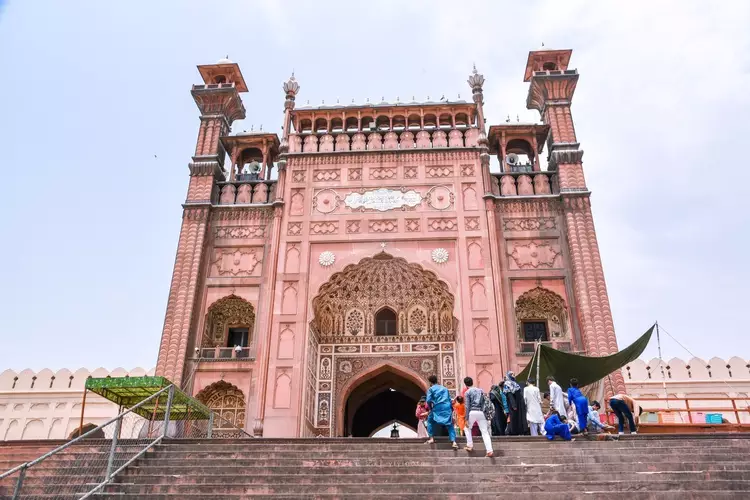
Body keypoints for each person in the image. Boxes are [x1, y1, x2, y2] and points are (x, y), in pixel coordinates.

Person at [462, 377, 494, 457]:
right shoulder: (480, 390)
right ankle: (489, 450)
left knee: (467, 428)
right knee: (484, 432)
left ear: (465, 384)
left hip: (472, 411)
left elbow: (467, 406)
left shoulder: (467, 392)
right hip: (481, 412)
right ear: (472, 382)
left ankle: (469, 445)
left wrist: (466, 418)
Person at [425, 375, 458, 448]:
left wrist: (430, 408)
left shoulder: (431, 389)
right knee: (449, 424)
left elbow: (428, 400)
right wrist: (451, 409)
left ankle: (431, 438)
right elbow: (449, 399)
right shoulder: (444, 388)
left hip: (438, 407)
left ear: (430, 382)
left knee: (430, 421)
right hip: (446, 406)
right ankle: (453, 441)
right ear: (437, 380)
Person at [503, 371, 528, 435]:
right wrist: (513, 405)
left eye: (514, 374)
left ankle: (520, 431)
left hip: (519, 403)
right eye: (512, 374)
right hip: (513, 404)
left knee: (519, 417)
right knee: (513, 417)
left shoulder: (515, 383)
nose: (514, 376)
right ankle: (514, 432)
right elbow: (509, 395)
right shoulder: (507, 384)